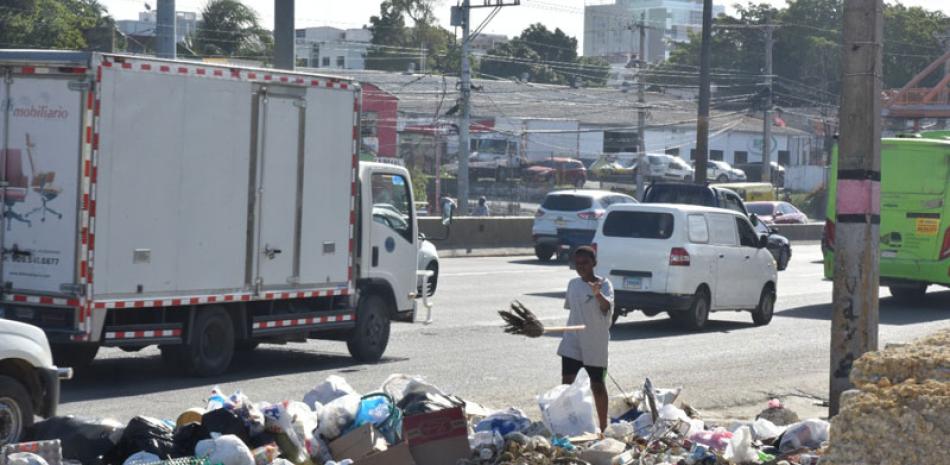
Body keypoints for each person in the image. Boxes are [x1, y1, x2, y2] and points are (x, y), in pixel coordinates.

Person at [558, 245, 613, 432]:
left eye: (585, 263)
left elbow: (606, 307)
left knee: (597, 386)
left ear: (594, 263)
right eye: (578, 263)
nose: (581, 266)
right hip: (572, 341)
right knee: (567, 384)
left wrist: (597, 294)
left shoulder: (605, 284)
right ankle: (569, 425)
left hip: (595, 344)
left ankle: (604, 427)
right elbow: (572, 309)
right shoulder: (573, 284)